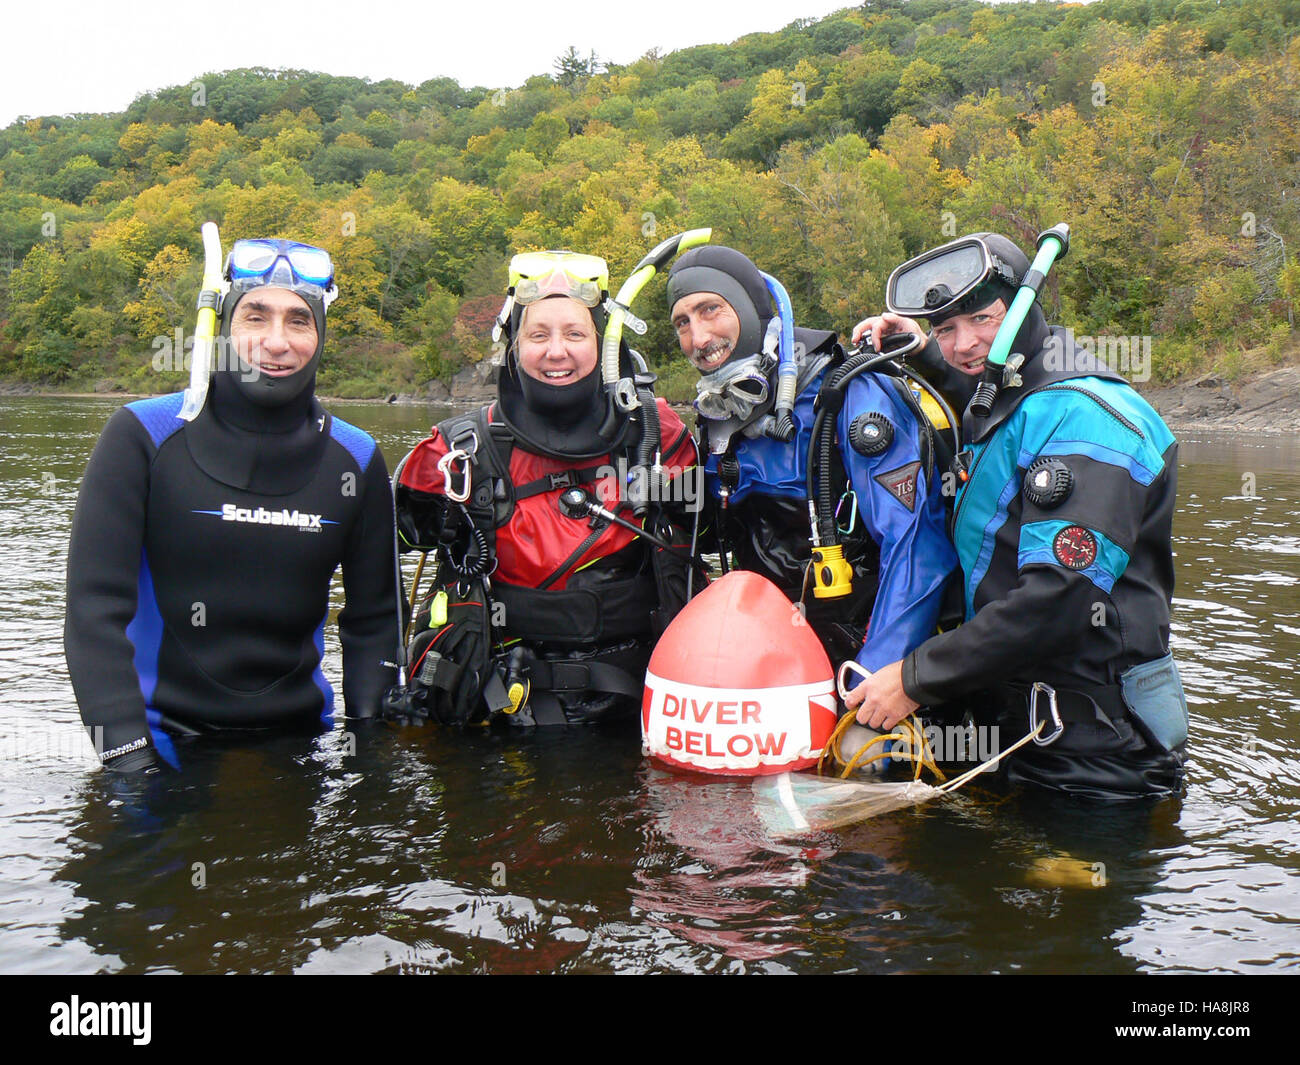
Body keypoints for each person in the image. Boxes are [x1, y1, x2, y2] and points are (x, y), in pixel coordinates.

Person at [846, 231, 1189, 798]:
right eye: (945, 329)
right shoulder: (1012, 387)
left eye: (983, 319)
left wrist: (913, 679)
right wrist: (920, 351)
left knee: (1073, 883)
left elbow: (1059, 599)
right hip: (1024, 724)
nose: (963, 345)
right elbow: (991, 399)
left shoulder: (1086, 418)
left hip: (1100, 753)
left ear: (1026, 309)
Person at [65, 238, 399, 772]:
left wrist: (368, 751)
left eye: (298, 321)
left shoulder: (355, 459)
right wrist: (129, 761)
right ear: (221, 325)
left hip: (303, 745)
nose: (275, 341)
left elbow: (375, 620)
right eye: (255, 316)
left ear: (321, 333)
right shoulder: (144, 436)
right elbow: (93, 613)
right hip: (159, 742)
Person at [393, 250, 699, 727]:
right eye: (538, 334)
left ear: (604, 343)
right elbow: (372, 561)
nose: (557, 351)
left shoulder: (659, 436)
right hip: (503, 719)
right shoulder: (454, 454)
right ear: (513, 343)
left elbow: (729, 535)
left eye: (575, 334)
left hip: (642, 717)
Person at [665, 245, 957, 680]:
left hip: (867, 645)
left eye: (711, 310)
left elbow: (918, 547)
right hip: (770, 656)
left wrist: (873, 678)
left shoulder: (850, 397)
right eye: (682, 323)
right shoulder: (719, 415)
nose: (699, 338)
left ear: (751, 309)